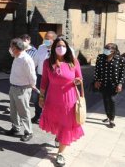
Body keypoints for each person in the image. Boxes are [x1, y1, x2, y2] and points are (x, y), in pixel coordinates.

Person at [39, 37, 84, 166]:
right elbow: (44, 81)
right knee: (58, 122)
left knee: (66, 125)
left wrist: (77, 81)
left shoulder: (73, 62)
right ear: (54, 48)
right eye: (58, 45)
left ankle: (61, 154)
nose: (61, 48)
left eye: (63, 45)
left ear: (67, 48)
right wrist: (41, 97)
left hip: (69, 100)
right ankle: (59, 137)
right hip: (52, 99)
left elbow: (79, 77)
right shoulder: (47, 62)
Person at [5, 38, 36, 142]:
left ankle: (28, 131)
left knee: (23, 111)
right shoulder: (16, 56)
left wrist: (32, 85)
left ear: (15, 48)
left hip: (23, 88)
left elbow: (32, 75)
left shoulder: (26, 59)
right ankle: (15, 128)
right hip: (13, 87)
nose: (10, 49)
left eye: (11, 47)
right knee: (13, 110)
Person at [94, 43, 125, 128]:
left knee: (111, 100)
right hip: (103, 83)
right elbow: (97, 69)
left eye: (107, 48)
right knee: (105, 99)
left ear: (113, 50)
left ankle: (112, 119)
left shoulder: (120, 59)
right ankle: (108, 116)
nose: (105, 50)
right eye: (105, 48)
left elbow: (122, 73)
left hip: (113, 84)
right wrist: (96, 80)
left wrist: (120, 84)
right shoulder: (100, 58)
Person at [31, 31, 57, 124]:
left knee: (50, 98)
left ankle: (49, 117)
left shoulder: (58, 49)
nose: (45, 39)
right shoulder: (41, 47)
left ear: (53, 40)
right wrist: (31, 73)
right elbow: (35, 61)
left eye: (48, 38)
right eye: (45, 37)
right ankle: (38, 115)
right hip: (40, 76)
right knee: (36, 97)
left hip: (53, 78)